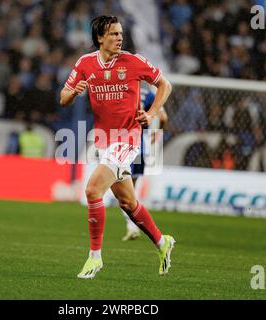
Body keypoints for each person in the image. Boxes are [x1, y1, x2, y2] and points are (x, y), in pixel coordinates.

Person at [60, 15, 175, 279]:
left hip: (128, 139)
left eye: (120, 33)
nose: (119, 38)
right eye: (113, 34)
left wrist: (153, 112)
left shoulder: (133, 61)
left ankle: (95, 258)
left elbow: (164, 85)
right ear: (99, 38)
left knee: (92, 190)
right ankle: (162, 242)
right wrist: (75, 91)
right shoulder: (85, 64)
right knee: (127, 202)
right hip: (104, 140)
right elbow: (63, 98)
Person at [121, 85, 168, 241]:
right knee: (132, 187)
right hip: (141, 147)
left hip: (123, 144)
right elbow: (163, 118)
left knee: (121, 189)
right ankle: (135, 225)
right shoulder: (149, 93)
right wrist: (158, 132)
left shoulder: (124, 88)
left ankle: (132, 225)